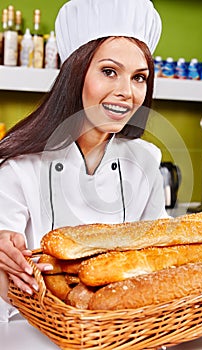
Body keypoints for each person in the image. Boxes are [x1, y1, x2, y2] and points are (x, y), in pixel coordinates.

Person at [0, 0, 167, 321]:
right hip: (32, 332)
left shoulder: (146, 162)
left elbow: (158, 256)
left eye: (139, 78)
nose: (127, 92)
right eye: (109, 72)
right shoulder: (21, 166)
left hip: (123, 331)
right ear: (76, 74)